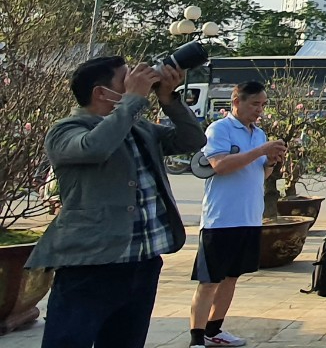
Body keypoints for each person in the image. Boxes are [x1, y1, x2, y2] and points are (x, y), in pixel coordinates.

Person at [26, 56, 207, 348]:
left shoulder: (140, 129)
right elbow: (94, 148)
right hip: (91, 264)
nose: (139, 80)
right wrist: (133, 101)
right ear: (101, 92)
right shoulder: (66, 130)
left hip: (143, 263)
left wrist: (169, 99)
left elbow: (191, 140)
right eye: (128, 78)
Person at [188, 81, 286, 348]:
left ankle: (214, 329)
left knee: (232, 278)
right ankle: (197, 338)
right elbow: (219, 165)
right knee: (210, 281)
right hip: (221, 219)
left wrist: (270, 163)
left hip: (249, 217)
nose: (259, 110)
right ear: (236, 102)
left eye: (263, 105)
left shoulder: (259, 134)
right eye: (255, 104)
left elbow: (257, 173)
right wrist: (260, 152)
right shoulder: (219, 129)